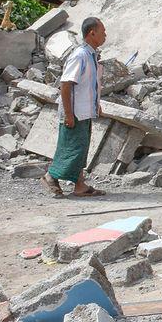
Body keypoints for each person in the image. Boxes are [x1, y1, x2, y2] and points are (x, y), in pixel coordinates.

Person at [40, 17, 108, 198]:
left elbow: (90, 85)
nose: (105, 35)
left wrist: (96, 105)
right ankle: (51, 176)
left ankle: (80, 186)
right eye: (103, 32)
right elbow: (66, 84)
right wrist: (69, 114)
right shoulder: (80, 55)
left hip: (84, 111)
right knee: (71, 149)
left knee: (80, 149)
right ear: (92, 33)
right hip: (75, 112)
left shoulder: (91, 55)